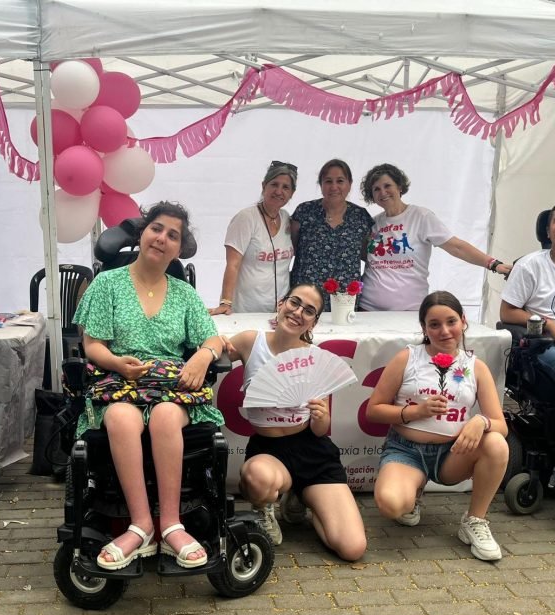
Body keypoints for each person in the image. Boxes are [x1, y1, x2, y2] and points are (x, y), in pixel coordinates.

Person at [73, 201, 225, 570]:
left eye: (172, 235)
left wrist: (202, 357)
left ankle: (171, 525)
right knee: (121, 418)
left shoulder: (184, 293)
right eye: (156, 228)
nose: (161, 238)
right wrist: (116, 363)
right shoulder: (107, 284)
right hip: (118, 381)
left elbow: (213, 339)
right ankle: (141, 525)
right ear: (143, 233)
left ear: (178, 248)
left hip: (170, 386)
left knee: (165, 416)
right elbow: (92, 345)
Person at [224, 283, 367, 560]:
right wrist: (209, 349)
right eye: (295, 302)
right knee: (257, 478)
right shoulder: (251, 342)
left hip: (312, 450)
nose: (298, 312)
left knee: (352, 548)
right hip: (269, 451)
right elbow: (217, 348)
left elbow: (320, 430)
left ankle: (304, 498)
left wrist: (322, 417)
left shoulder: (315, 357)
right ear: (281, 304)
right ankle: (265, 507)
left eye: (309, 310)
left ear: (314, 321)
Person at [366, 291, 508, 561]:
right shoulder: (407, 358)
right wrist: (415, 411)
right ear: (424, 328)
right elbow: (374, 410)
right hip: (406, 451)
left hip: (453, 453)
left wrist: (481, 421)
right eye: (434, 324)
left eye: (451, 321)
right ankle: (413, 493)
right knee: (391, 505)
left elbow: (501, 425)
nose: (444, 331)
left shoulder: (476, 367)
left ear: (463, 321)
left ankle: (475, 520)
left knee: (496, 443)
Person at [500, 199, 555, 490]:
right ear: (548, 231)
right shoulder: (531, 265)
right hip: (546, 345)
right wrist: (549, 324)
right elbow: (507, 312)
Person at [359, 163, 511, 311]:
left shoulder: (421, 217)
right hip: (368, 309)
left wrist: (492, 264)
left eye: (387, 186)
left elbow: (456, 247)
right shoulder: (372, 223)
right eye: (376, 189)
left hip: (409, 311)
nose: (383, 192)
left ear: (399, 187)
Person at [209, 161, 297, 315]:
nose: (279, 191)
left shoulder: (286, 219)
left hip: (279, 311)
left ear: (291, 193)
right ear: (264, 186)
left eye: (285, 187)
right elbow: (232, 264)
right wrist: (225, 302)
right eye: (274, 184)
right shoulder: (246, 218)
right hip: (246, 310)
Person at [289, 159, 373, 311]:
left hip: (344, 299)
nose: (334, 187)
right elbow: (291, 248)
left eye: (340, 181)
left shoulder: (361, 216)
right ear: (321, 184)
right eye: (328, 181)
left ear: (349, 184)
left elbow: (367, 255)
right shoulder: (304, 211)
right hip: (305, 298)